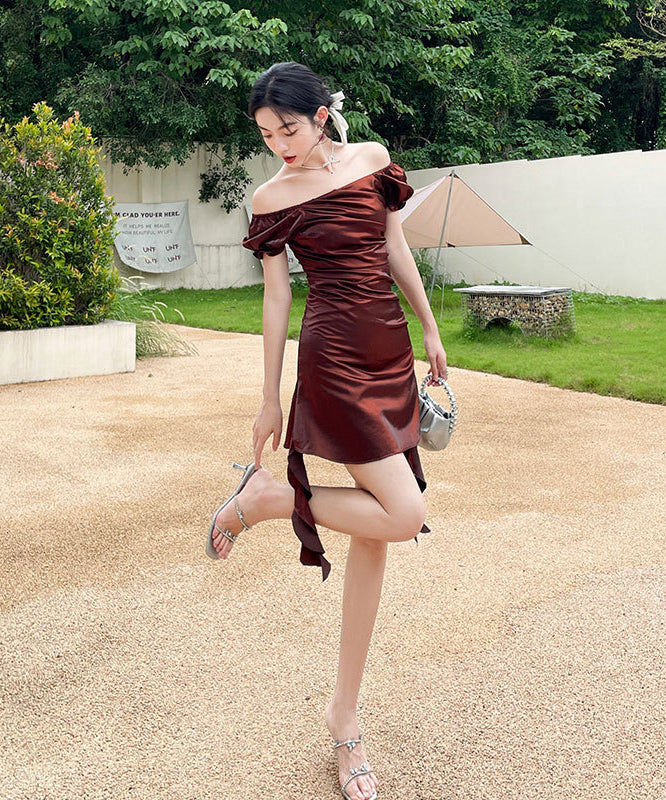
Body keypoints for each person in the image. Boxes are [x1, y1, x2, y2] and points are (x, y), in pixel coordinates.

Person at [206, 62, 448, 800]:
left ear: (320, 114)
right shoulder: (271, 198)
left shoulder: (373, 160)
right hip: (334, 359)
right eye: (265, 134)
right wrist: (268, 397)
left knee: (376, 535)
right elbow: (277, 298)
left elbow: (395, 249)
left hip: (389, 352)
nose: (278, 144)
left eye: (287, 128)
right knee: (403, 514)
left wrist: (430, 329)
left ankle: (345, 717)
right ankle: (270, 500)